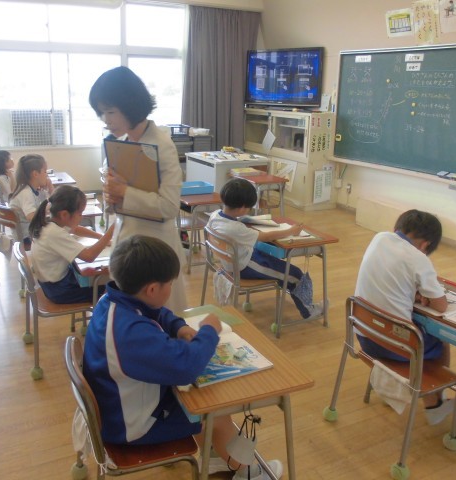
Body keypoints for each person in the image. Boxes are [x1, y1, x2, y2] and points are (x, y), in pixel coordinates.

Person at [82, 235, 283, 480]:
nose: (171, 289)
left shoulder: (113, 300)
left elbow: (156, 312)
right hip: (132, 426)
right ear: (152, 289)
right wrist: (209, 331)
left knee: (210, 404)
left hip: (118, 408)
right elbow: (187, 367)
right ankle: (249, 473)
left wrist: (179, 327)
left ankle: (218, 457)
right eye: (170, 284)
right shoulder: (130, 333)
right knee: (215, 412)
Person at [89, 66, 187, 314]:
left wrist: (124, 191)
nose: (106, 120)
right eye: (102, 113)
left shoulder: (161, 144)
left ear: (130, 105)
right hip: (126, 248)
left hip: (155, 252)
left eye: (111, 112)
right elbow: (115, 199)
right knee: (129, 319)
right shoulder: (120, 143)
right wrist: (110, 195)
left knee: (159, 319)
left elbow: (169, 207)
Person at [354, 209, 454, 425]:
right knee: (441, 339)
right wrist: (426, 297)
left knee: (413, 329)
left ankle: (403, 391)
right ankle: (435, 400)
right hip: (396, 346)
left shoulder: (379, 238)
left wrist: (413, 293)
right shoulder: (418, 258)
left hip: (364, 333)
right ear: (425, 245)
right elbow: (441, 306)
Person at [206, 177, 323, 320]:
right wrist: (291, 231)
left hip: (235, 261)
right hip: (244, 266)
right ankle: (308, 311)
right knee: (295, 274)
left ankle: (291, 290)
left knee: (278, 265)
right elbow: (265, 237)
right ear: (242, 207)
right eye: (249, 208)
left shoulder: (215, 215)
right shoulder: (236, 229)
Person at [29, 185, 114, 304]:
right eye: (80, 213)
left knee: (94, 275)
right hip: (59, 290)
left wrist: (101, 237)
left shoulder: (49, 222)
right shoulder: (54, 233)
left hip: (52, 283)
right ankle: (104, 314)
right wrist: (110, 232)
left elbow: (76, 229)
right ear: (64, 214)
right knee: (110, 288)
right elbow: (89, 256)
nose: (82, 217)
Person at [9, 153, 54, 241]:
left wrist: (50, 189)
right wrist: (46, 208)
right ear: (35, 174)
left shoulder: (32, 189)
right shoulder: (26, 192)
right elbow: (31, 216)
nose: (47, 175)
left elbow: (49, 202)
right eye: (45, 171)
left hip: (30, 232)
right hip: (28, 236)